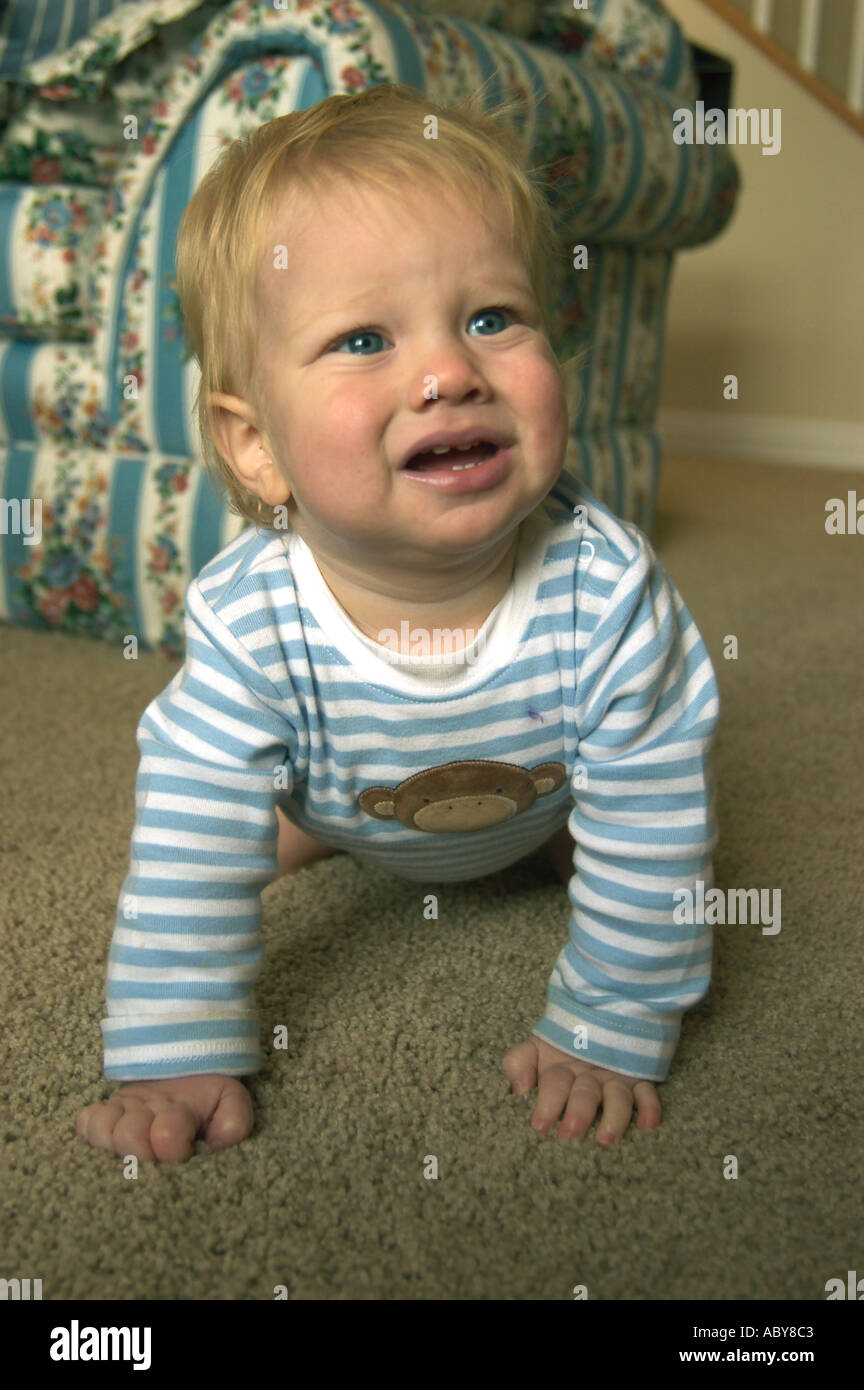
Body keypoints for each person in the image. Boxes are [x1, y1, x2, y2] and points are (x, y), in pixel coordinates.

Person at [76, 83, 718, 1164]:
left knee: (623, 821)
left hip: (540, 790)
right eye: (365, 337)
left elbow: (661, 817)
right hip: (350, 797)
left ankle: (554, 826)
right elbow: (184, 845)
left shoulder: (605, 592)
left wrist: (612, 1023)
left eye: (491, 317)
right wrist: (177, 1049)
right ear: (256, 447)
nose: (448, 372)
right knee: (230, 813)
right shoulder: (250, 623)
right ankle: (322, 817)